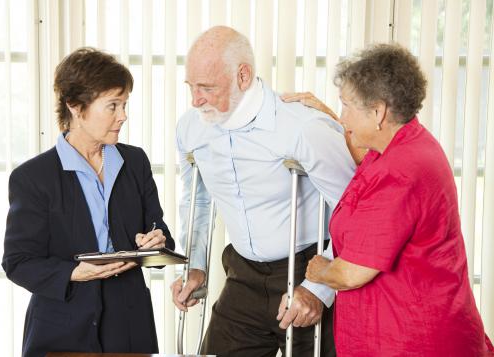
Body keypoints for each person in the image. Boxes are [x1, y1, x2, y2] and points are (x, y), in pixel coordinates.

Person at [170, 26, 356, 356]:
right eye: (191, 87)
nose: (195, 99)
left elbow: (354, 212)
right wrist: (195, 264)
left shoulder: (304, 127)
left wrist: (319, 287)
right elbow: (196, 199)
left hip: (307, 268)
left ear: (243, 75)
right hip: (243, 273)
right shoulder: (191, 127)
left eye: (207, 88)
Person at [299, 43, 494, 356]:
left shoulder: (400, 173)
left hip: (412, 341)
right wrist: (334, 121)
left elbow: (352, 273)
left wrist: (319, 270)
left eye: (347, 106)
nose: (343, 116)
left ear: (378, 112)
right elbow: (363, 162)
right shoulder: (402, 143)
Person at [2, 48, 174, 357]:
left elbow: (159, 234)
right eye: (112, 105)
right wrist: (73, 272)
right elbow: (18, 263)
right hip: (61, 333)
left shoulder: (135, 162)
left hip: (130, 329)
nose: (123, 115)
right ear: (76, 107)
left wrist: (155, 241)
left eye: (124, 105)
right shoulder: (33, 177)